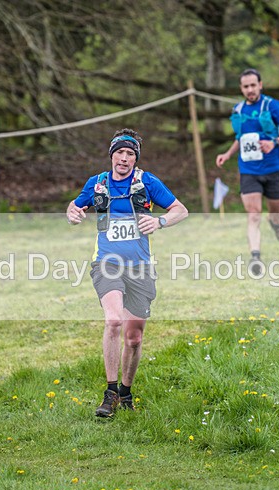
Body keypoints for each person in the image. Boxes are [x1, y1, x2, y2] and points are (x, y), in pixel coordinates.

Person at [66, 129, 188, 418]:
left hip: (141, 268)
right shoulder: (97, 184)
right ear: (111, 155)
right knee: (113, 321)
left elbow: (180, 210)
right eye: (119, 152)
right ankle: (109, 394)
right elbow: (75, 205)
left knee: (134, 338)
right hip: (106, 264)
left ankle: (125, 392)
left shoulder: (147, 182)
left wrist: (159, 221)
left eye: (130, 154)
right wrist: (72, 212)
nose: (124, 158)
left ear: (135, 159)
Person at [215, 68, 279, 276]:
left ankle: (276, 225)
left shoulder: (273, 106)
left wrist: (274, 142)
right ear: (241, 89)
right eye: (246, 86)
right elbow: (240, 138)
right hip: (248, 170)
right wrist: (228, 154)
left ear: (260, 85)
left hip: (273, 170)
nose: (250, 90)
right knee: (253, 214)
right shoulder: (238, 109)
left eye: (253, 85)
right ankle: (255, 257)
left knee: (276, 213)